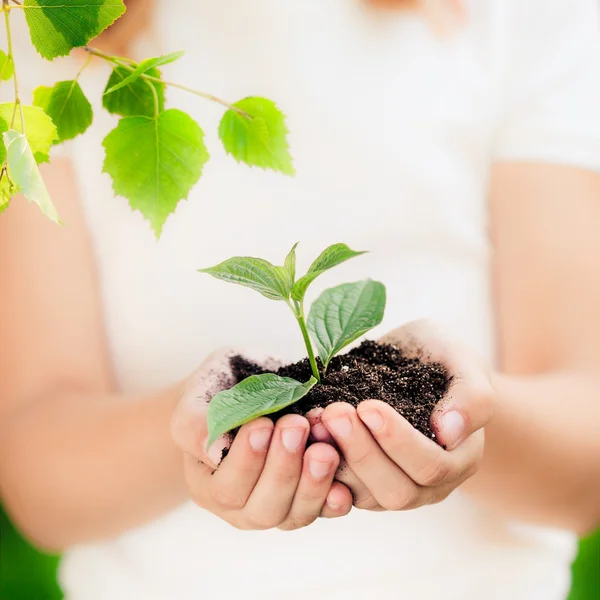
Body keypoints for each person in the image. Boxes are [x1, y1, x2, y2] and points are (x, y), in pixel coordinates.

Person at [1, 0, 600, 598]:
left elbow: (586, 465)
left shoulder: (526, 16)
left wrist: (464, 418)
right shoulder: (46, 39)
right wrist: (197, 426)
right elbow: (39, 479)